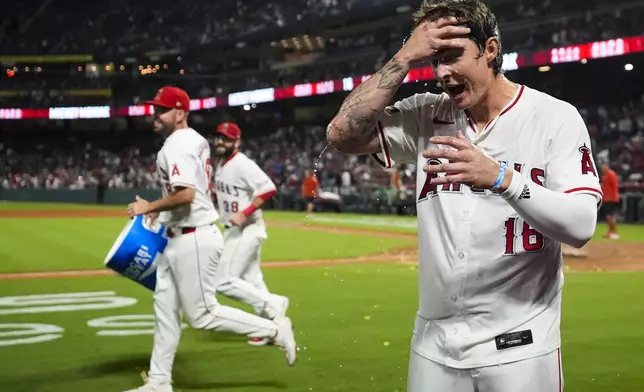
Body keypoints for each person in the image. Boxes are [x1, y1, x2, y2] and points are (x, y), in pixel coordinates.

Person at [326, 1, 602, 391]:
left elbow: (580, 225)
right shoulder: (426, 114)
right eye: (434, 59)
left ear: (490, 50)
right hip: (433, 347)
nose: (441, 73)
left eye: (452, 56)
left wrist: (501, 178)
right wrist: (404, 57)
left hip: (520, 349)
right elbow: (341, 135)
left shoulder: (554, 117)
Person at [125, 87, 296, 392]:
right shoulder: (195, 141)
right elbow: (195, 195)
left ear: (180, 113)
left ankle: (273, 327)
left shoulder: (177, 144)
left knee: (203, 315)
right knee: (165, 312)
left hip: (194, 238)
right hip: (180, 235)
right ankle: (159, 381)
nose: (154, 114)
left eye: (161, 109)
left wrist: (147, 207)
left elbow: (187, 194)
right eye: (154, 108)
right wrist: (160, 215)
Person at [211, 122, 291, 346]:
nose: (220, 142)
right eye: (218, 137)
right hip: (235, 229)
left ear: (236, 142)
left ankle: (275, 303)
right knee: (252, 280)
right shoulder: (221, 163)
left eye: (226, 138)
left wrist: (244, 212)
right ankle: (273, 327)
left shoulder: (242, 164)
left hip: (247, 228)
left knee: (224, 281)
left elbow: (268, 189)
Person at [599, 160, 620, 239]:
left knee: (611, 216)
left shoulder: (611, 174)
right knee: (609, 216)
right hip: (607, 198)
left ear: (607, 166)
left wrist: (613, 197)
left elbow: (615, 186)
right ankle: (611, 232)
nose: (602, 168)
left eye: (604, 166)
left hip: (610, 198)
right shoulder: (605, 175)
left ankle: (613, 232)